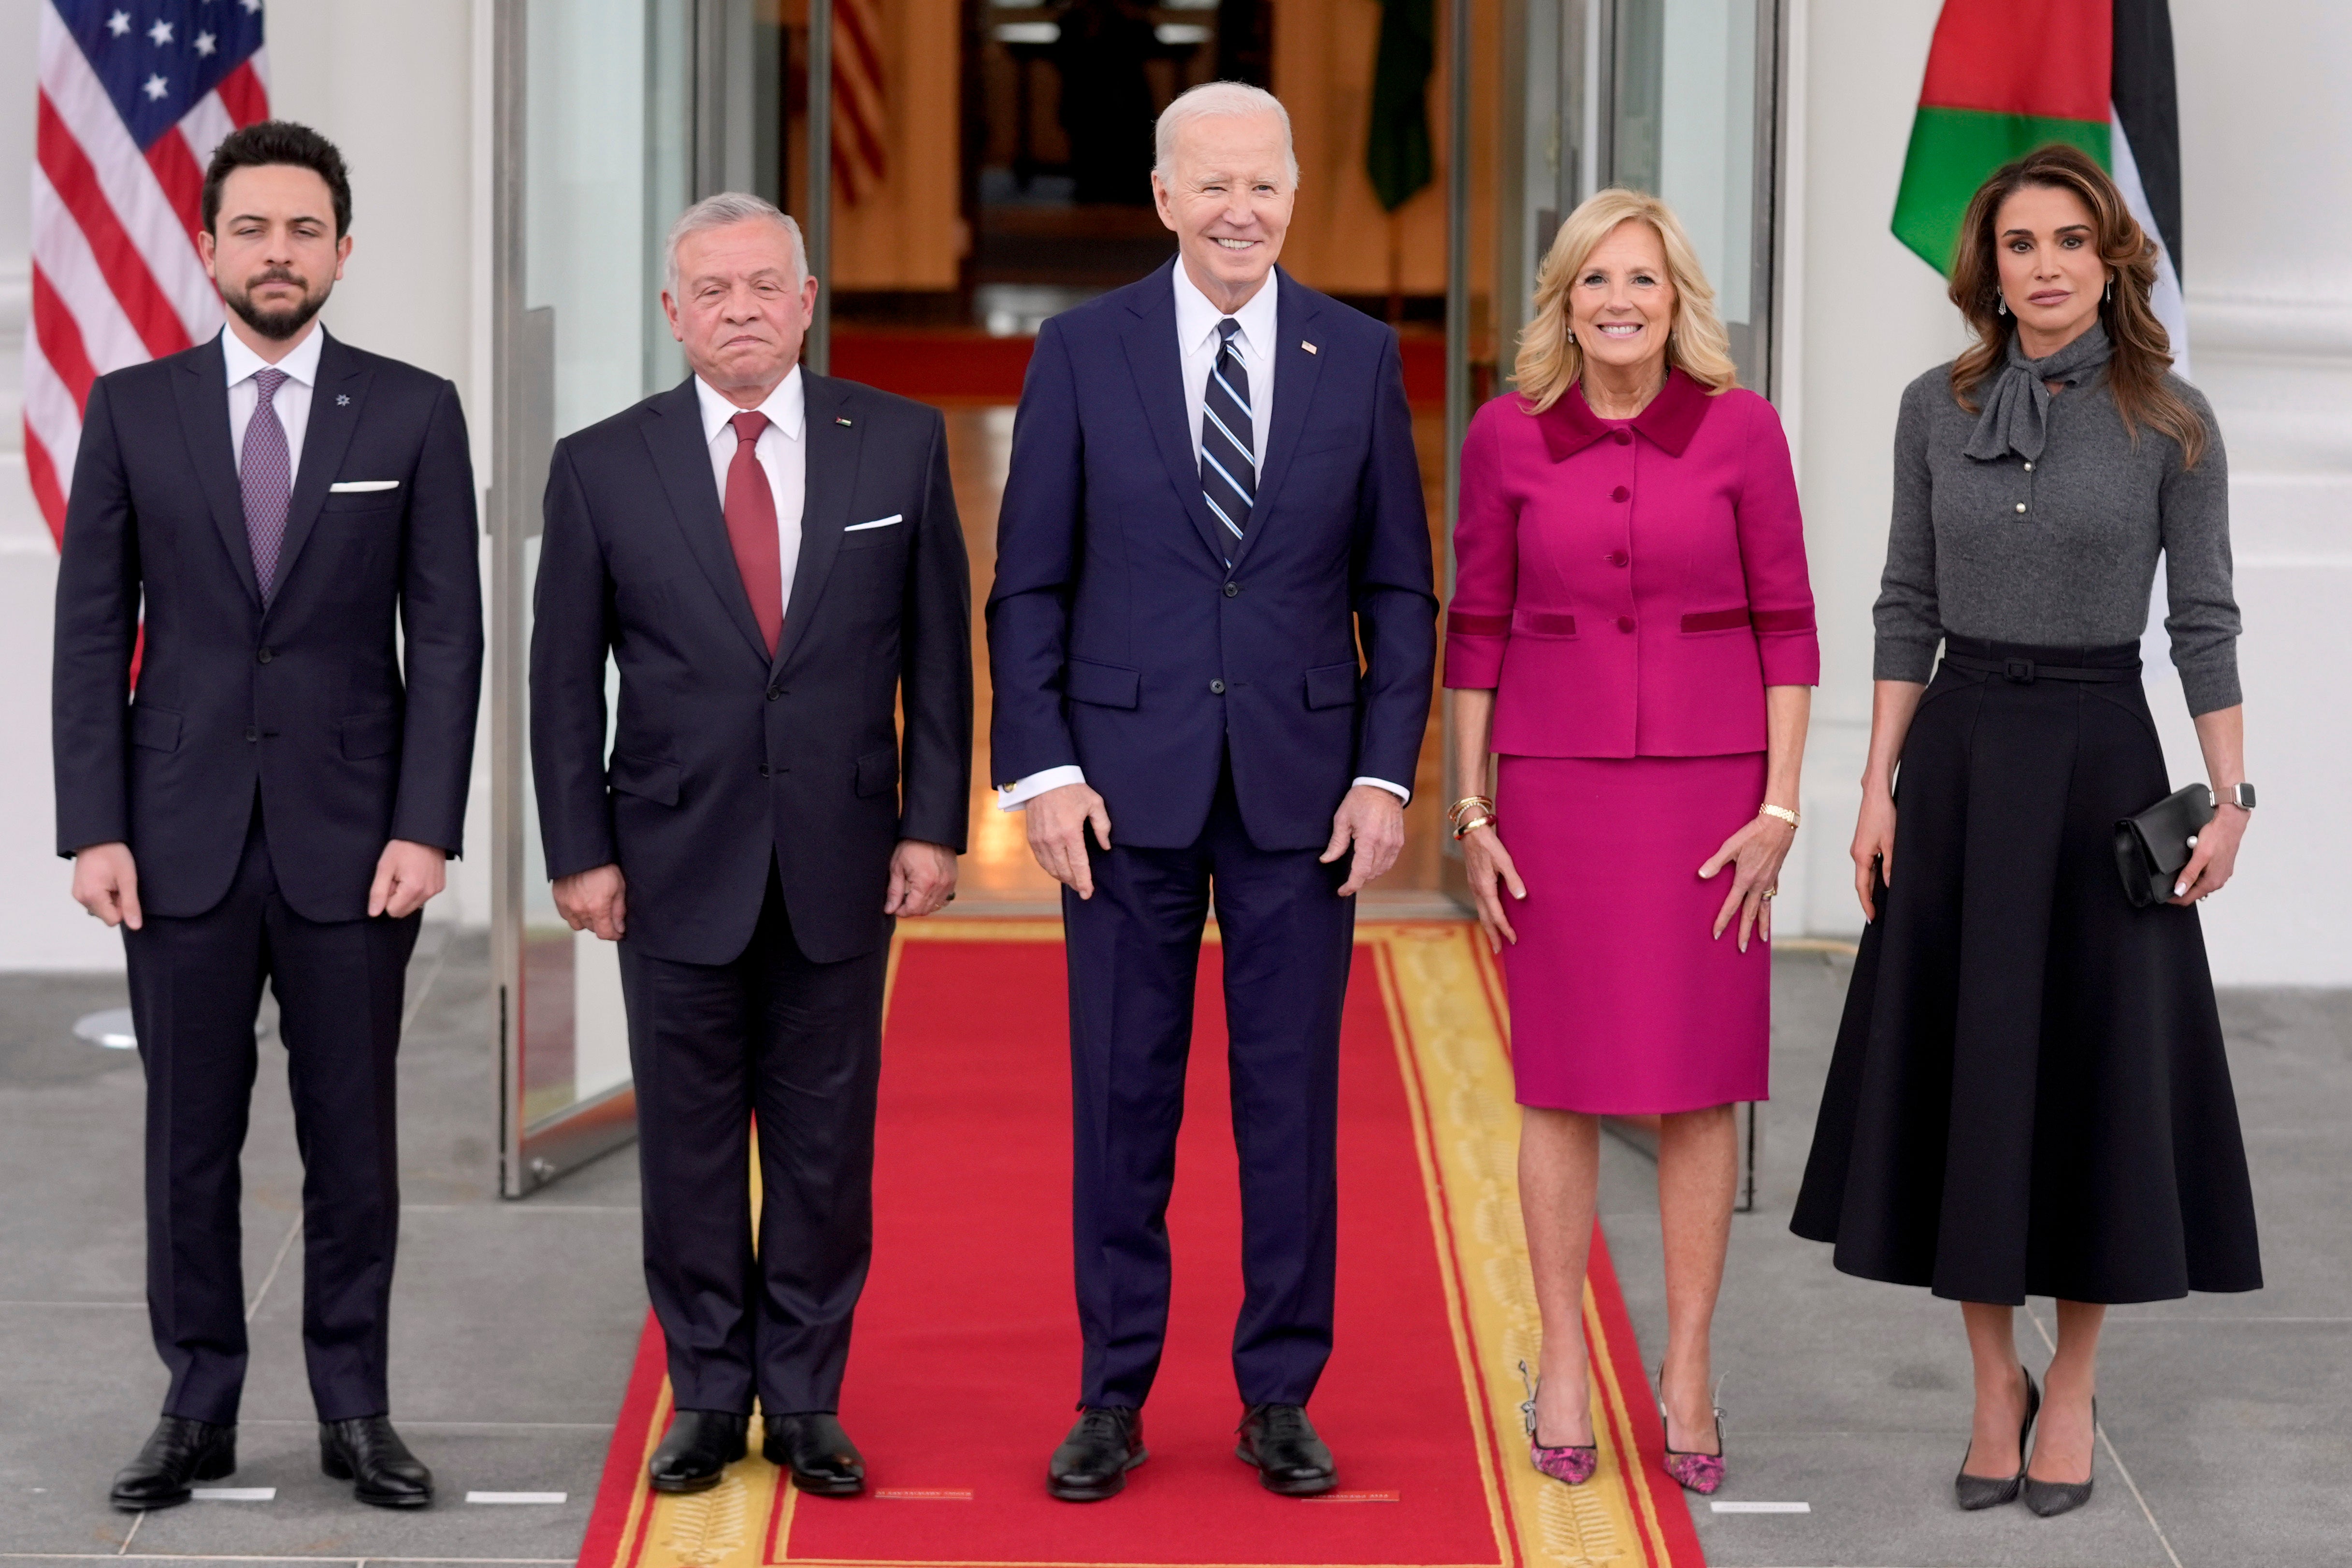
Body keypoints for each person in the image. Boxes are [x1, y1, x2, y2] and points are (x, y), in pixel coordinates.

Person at [1791, 144, 2261, 1518]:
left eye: (2068, 240)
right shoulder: (1927, 411)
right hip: (1956, 762)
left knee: (2092, 1081)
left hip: (2101, 766)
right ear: (1984, 270)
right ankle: (1993, 1378)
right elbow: (1901, 600)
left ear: (2108, 258)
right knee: (1970, 1079)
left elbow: (2204, 624)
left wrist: (2230, 803)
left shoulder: (2174, 423)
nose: (2044, 265)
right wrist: (1873, 785)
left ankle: (2073, 1385)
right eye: (2018, 244)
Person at [988, 81, 1436, 1501]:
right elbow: (1028, 586)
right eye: (1213, 184)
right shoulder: (1076, 351)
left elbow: (1397, 590)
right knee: (1121, 1106)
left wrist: (1381, 771)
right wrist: (1043, 771)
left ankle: (1278, 1395)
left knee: (1290, 1108)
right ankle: (1111, 1397)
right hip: (1118, 800)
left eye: (1266, 184)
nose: (1242, 209)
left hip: (1304, 800)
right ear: (1165, 194)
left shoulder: (1356, 356)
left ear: (1294, 194)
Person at [54, 122, 483, 1512]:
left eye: (305, 231)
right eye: (254, 230)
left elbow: (450, 640)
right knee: (189, 1138)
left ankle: (356, 1408)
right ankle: (198, 1405)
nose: (278, 253)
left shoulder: (413, 411)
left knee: (352, 1140)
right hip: (172, 834)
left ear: (343, 252)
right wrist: (92, 826)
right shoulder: (131, 408)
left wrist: (427, 825)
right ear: (208, 246)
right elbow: (87, 637)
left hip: (357, 844)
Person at [530, 193, 970, 1499]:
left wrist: (934, 823)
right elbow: (564, 684)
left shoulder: (894, 444)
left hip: (843, 853)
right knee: (689, 1147)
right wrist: (579, 849)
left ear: (806, 298)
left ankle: (810, 1397)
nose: (739, 312)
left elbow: (940, 658)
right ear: (673, 314)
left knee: (827, 1151)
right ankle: (710, 1395)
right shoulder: (604, 463)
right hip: (668, 859)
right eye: (711, 291)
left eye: (762, 287)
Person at [1445, 189, 1816, 1497]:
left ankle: (1692, 1366)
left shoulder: (1741, 430)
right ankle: (1559, 1361)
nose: (1618, 302)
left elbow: (1788, 623)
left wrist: (1778, 807)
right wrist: (1471, 811)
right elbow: (1474, 626)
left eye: (1642, 281)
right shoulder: (1504, 437)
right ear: (1562, 300)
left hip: (1711, 803)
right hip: (1553, 792)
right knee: (1558, 1082)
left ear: (1677, 301)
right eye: (1594, 280)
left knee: (1695, 1084)